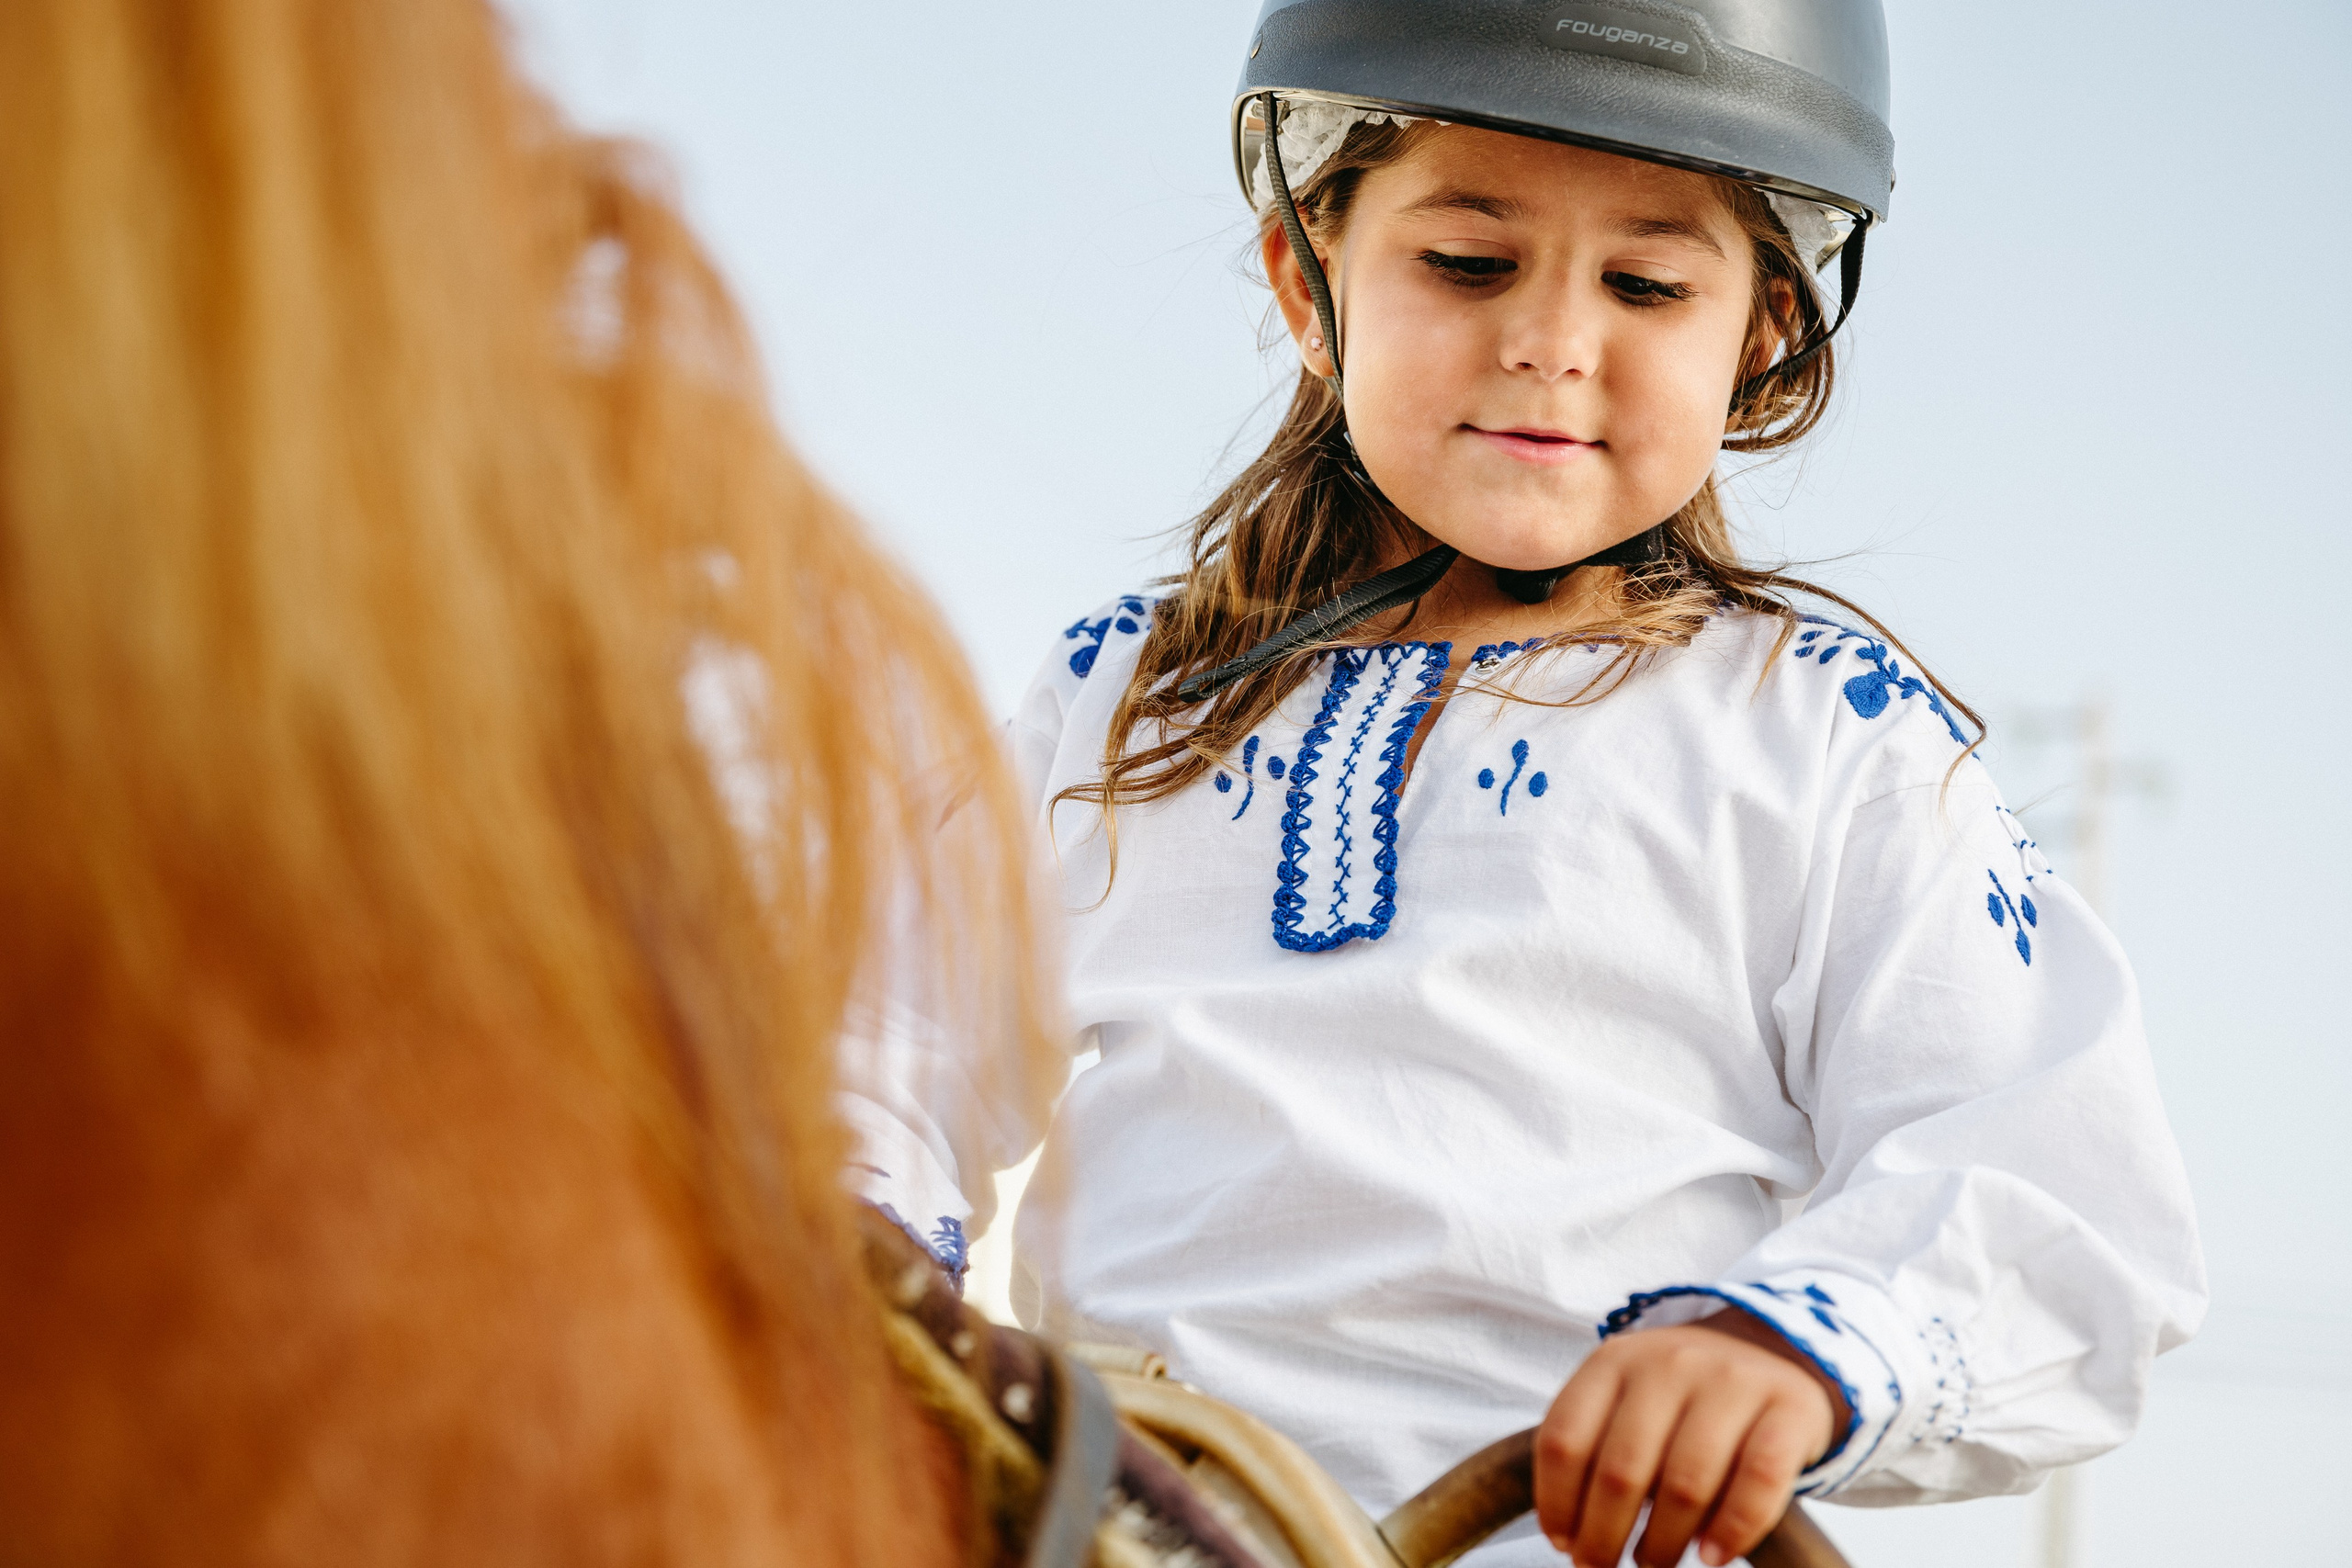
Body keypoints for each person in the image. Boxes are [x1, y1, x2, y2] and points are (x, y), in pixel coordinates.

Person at [847, 4, 2205, 1566]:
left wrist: (1788, 1355)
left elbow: (2060, 1193)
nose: (1552, 343)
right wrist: (862, 1260)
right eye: (1469, 263)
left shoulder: (1829, 736)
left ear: (1762, 332)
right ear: (1307, 282)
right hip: (1138, 1523)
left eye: (1647, 285)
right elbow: (870, 1046)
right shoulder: (1125, 697)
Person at [0, 0, 1057, 1559]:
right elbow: (931, 1030)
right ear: (1304, 289)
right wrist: (873, 1195)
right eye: (1436, 265)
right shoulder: (1115, 694)